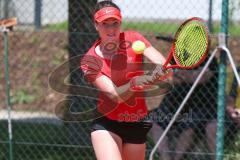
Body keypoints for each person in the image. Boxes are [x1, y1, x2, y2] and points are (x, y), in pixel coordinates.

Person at [80, 1, 169, 160]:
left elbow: (163, 66)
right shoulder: (90, 61)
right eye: (105, 24)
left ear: (120, 23)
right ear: (96, 25)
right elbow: (115, 95)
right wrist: (136, 83)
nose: (111, 29)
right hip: (107, 123)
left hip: (136, 121)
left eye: (115, 23)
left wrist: (158, 74)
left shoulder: (134, 38)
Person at [150, 55, 219, 160]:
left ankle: (177, 158)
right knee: (156, 123)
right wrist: (183, 76)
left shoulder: (210, 59)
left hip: (200, 105)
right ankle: (165, 158)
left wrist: (180, 75)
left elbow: (201, 78)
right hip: (175, 102)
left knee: (189, 127)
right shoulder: (177, 57)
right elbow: (167, 79)